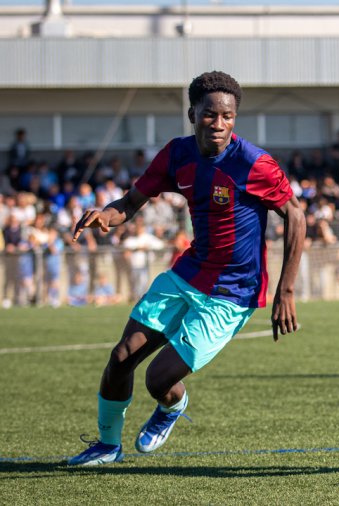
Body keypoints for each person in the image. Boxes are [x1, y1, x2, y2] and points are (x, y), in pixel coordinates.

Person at [67, 71, 306, 466]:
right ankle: (107, 446)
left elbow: (295, 216)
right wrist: (106, 216)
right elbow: (130, 203)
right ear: (192, 113)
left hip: (232, 291)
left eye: (228, 116)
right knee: (122, 356)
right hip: (188, 272)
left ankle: (170, 407)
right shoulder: (177, 154)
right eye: (210, 115)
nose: (219, 124)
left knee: (157, 380)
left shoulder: (254, 163)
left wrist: (286, 291)